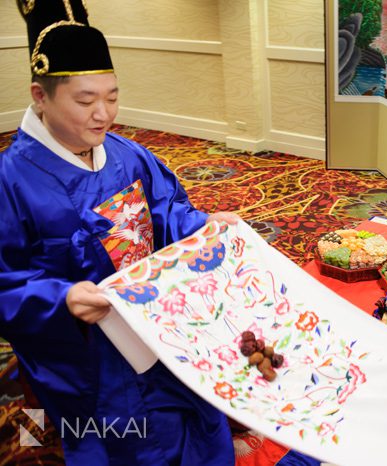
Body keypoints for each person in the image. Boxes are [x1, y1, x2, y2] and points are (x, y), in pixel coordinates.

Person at [0, 1, 240, 464]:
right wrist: (60, 298)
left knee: (194, 413)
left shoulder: (128, 154)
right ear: (41, 95)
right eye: (85, 101)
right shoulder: (10, 180)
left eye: (112, 96)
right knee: (123, 439)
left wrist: (203, 225)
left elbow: (166, 209)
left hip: (154, 322)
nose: (103, 114)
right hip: (84, 349)